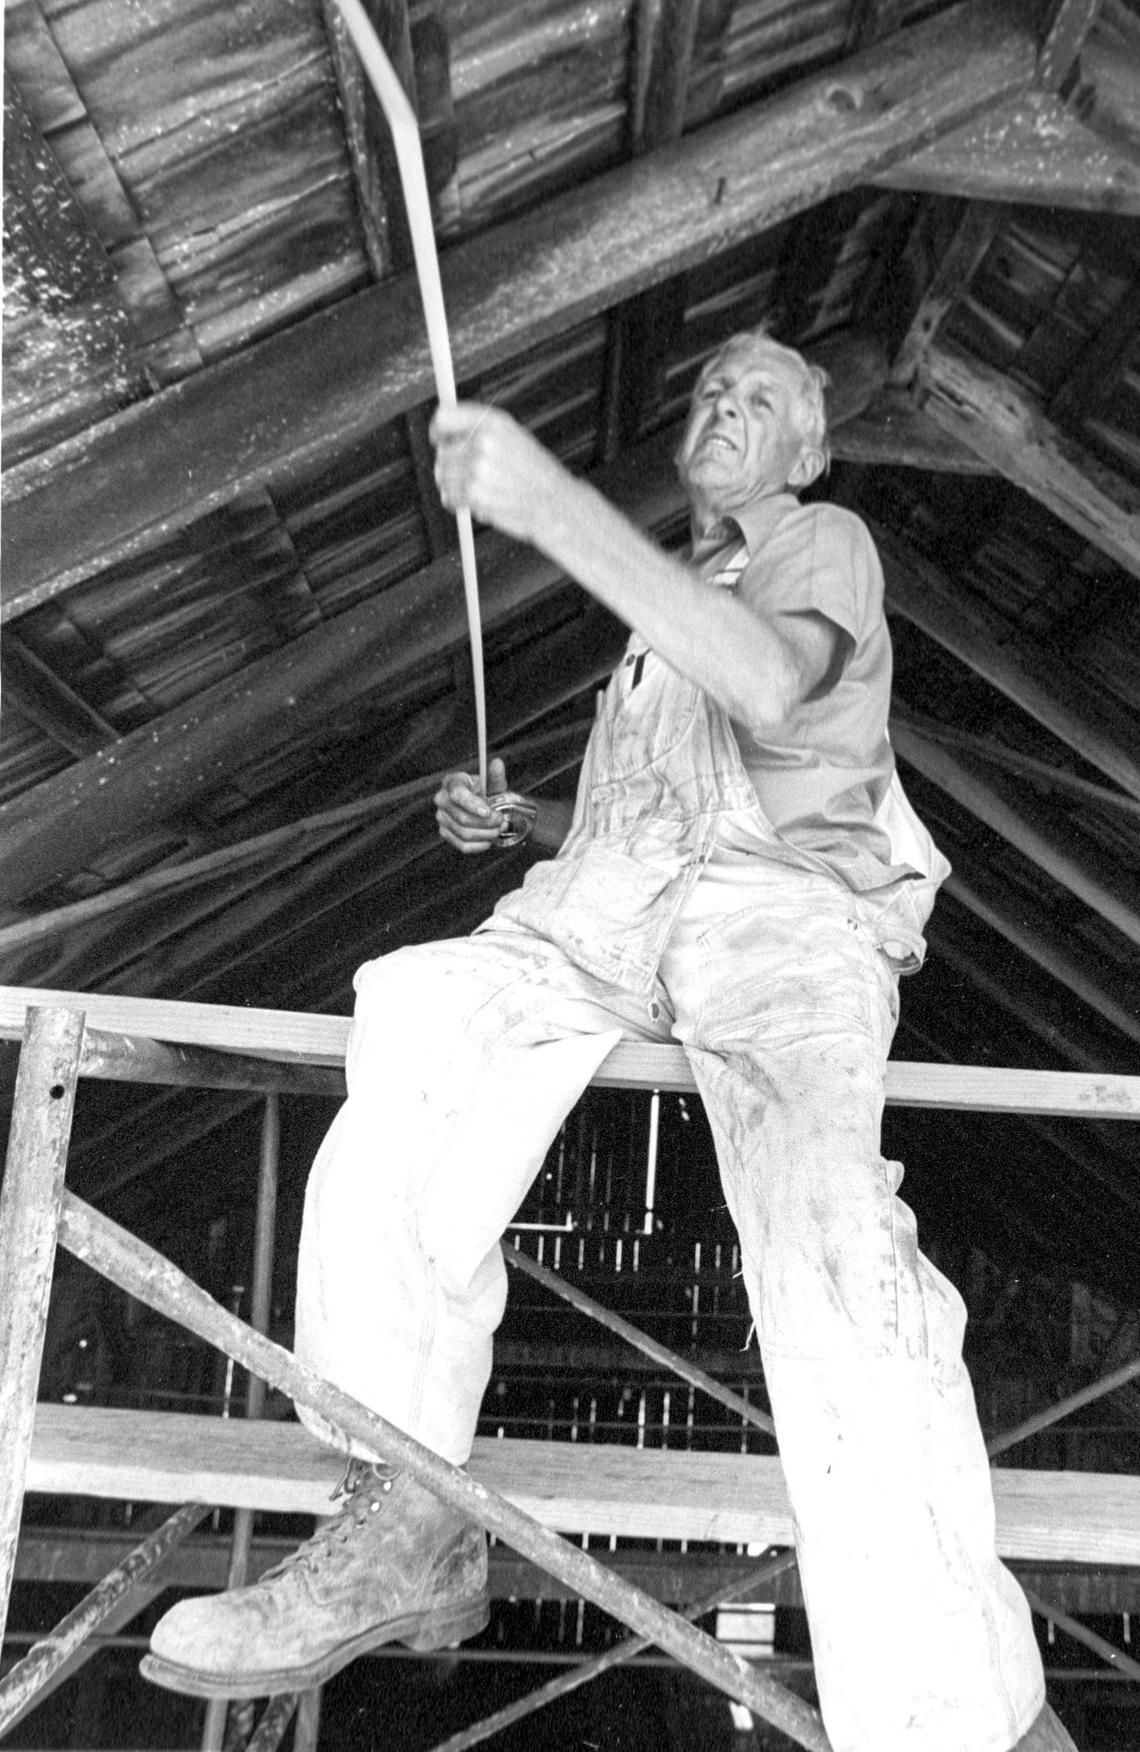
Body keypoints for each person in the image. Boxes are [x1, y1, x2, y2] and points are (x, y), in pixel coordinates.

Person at [143, 330, 1066, 1752]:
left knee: (829, 1249)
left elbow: (769, 691)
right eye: (710, 390)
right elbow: (648, 827)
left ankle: (954, 1715)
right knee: (421, 1017)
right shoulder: (657, 627)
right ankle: (407, 1514)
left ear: (805, 453)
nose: (720, 407)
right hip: (611, 914)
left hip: (784, 920)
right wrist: (520, 826)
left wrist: (544, 501)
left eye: (757, 400)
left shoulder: (825, 543)